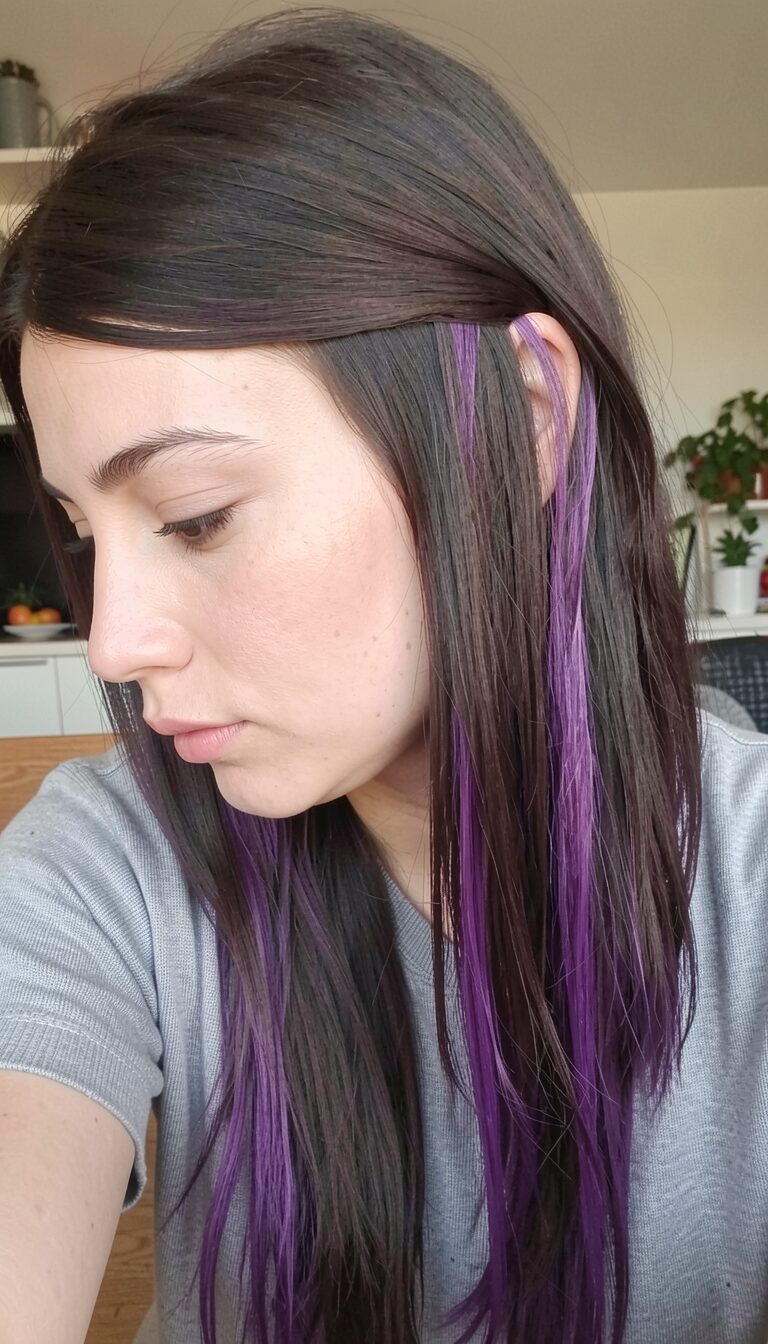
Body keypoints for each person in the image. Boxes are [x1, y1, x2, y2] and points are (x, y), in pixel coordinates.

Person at [0, 10, 765, 1344]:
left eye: (193, 515)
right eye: (81, 531)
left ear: (522, 413)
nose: (113, 641)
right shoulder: (109, 868)